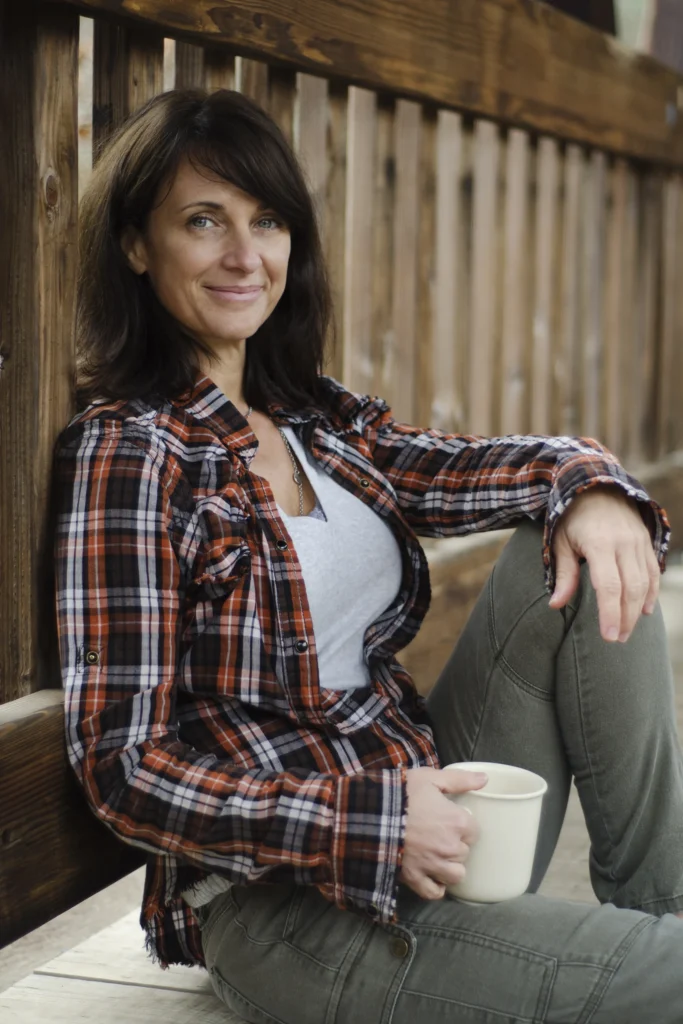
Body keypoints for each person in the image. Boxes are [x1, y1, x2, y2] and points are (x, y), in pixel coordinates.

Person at [53, 87, 683, 1024]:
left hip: (425, 805)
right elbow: (123, 767)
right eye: (203, 221)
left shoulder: (308, 413)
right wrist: (372, 821)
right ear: (137, 246)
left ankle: (663, 901)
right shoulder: (132, 453)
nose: (245, 255)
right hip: (287, 906)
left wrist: (589, 484)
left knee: (577, 547)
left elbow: (466, 468)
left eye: (268, 221)